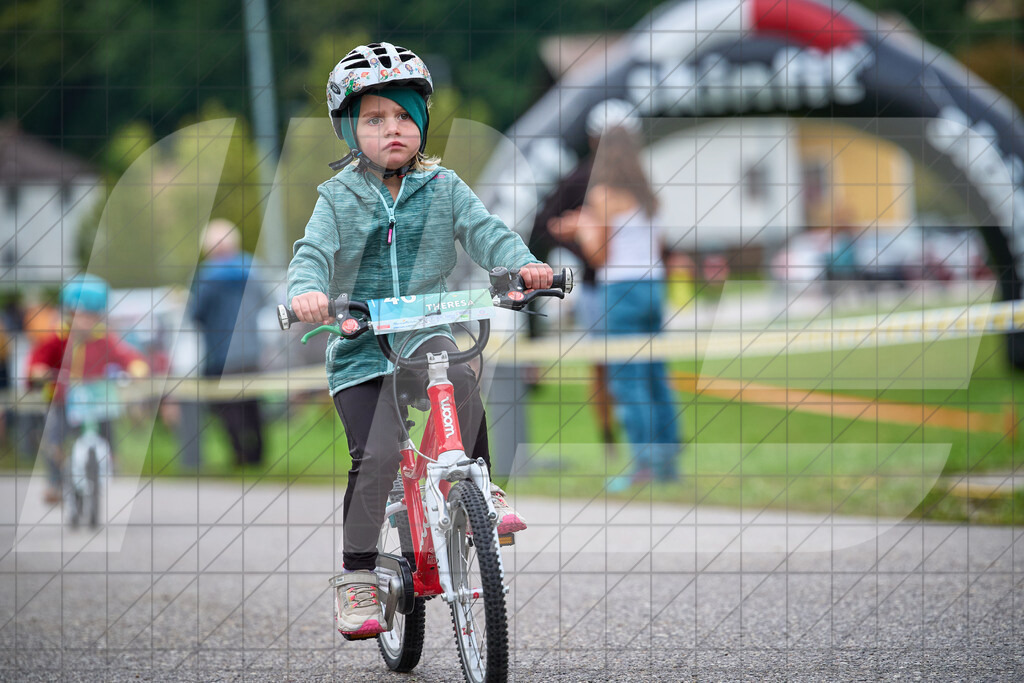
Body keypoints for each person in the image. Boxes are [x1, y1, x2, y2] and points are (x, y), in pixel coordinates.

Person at [287, 42, 553, 637]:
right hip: (361, 350)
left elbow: (487, 232)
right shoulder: (336, 198)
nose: (392, 129)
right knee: (377, 454)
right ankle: (359, 577)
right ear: (349, 130)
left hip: (426, 336)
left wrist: (524, 264)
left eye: (404, 116)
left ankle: (479, 488)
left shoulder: (444, 187)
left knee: (461, 378)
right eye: (374, 119)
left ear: (423, 123)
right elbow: (312, 254)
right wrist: (307, 292)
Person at [553, 125, 683, 490]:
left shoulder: (604, 195)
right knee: (656, 376)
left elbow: (600, 255)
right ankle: (668, 464)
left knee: (628, 381)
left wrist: (582, 229)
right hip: (654, 287)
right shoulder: (650, 196)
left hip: (621, 290)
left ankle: (645, 465)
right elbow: (657, 248)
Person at [530, 100, 643, 461]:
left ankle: (643, 442)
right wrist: (582, 245)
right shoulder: (582, 178)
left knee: (638, 366)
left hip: (632, 285)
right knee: (608, 367)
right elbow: (545, 223)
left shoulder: (636, 179)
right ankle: (612, 439)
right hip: (600, 287)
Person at [27, 275, 149, 504]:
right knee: (55, 437)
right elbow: (39, 358)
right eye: (81, 315)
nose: (86, 322)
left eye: (92, 316)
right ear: (69, 313)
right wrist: (38, 371)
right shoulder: (58, 338)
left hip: (95, 400)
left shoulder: (104, 339)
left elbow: (125, 354)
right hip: (64, 400)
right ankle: (55, 481)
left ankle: (111, 459)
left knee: (107, 426)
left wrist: (136, 367)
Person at [190, 219, 267, 466]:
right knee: (252, 403)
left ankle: (239, 454)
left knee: (225, 406)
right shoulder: (253, 269)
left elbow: (196, 313)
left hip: (220, 353)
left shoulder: (208, 276)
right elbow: (265, 302)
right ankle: (258, 455)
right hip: (252, 351)